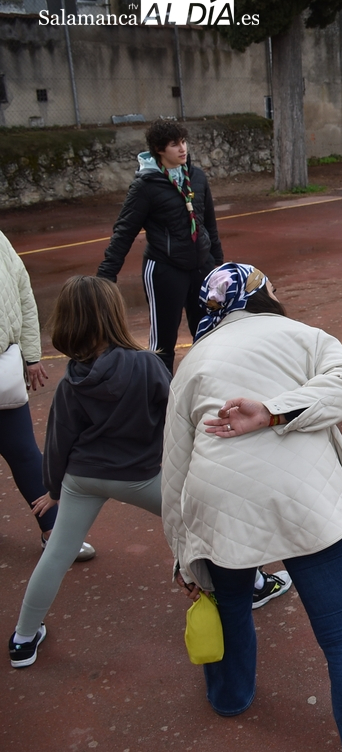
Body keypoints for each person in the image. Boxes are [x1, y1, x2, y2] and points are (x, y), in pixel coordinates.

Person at [162, 263, 342, 748]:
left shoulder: (193, 361)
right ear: (263, 294)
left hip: (219, 501)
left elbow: (175, 469)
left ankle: (229, 696)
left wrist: (183, 555)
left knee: (230, 605)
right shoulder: (302, 334)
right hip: (306, 499)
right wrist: (276, 411)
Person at [8, 275, 173, 668]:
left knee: (58, 553)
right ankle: (249, 583)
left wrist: (54, 489)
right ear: (114, 315)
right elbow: (176, 418)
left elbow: (57, 442)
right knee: (206, 520)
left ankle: (23, 639)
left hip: (82, 477)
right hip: (142, 476)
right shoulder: (147, 364)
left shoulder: (72, 381)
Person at [97, 119, 224, 372]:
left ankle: (204, 388)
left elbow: (209, 222)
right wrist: (106, 274)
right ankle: (159, 398)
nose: (182, 148)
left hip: (201, 267)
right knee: (163, 343)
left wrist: (218, 263)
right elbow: (124, 231)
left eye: (184, 142)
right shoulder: (145, 186)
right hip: (165, 270)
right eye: (174, 144)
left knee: (209, 335)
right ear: (158, 149)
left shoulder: (196, 177)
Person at [1, 230, 96, 567]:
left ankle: (53, 531)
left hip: (2, 368)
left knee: (24, 451)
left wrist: (30, 354)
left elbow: (23, 293)